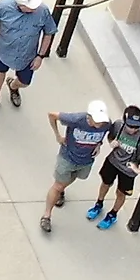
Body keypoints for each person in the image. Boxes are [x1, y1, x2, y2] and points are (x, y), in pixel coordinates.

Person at [0, 0, 57, 113]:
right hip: (3, 49)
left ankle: (13, 86)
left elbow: (49, 32)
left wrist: (40, 56)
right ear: (21, 6)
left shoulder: (42, 10)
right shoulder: (3, 6)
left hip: (27, 55)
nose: (34, 8)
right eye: (30, 6)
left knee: (25, 82)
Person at [41, 97, 111, 233]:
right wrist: (58, 136)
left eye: (102, 120)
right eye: (97, 121)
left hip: (86, 161)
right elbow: (52, 115)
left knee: (74, 178)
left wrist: (99, 144)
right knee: (58, 185)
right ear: (89, 117)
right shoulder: (76, 119)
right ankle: (46, 215)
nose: (100, 124)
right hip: (67, 158)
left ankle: (61, 190)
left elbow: (107, 134)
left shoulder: (106, 124)